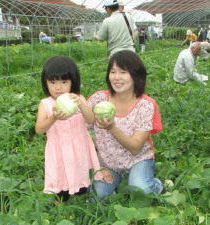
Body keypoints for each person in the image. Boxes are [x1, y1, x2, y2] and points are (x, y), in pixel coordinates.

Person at [87, 50, 164, 201]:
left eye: (123, 72)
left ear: (136, 75)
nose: (116, 77)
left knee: (141, 189)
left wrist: (111, 128)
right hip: (108, 163)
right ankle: (115, 185)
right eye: (113, 72)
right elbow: (79, 127)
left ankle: (157, 185)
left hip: (138, 160)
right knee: (96, 197)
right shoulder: (99, 99)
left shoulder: (146, 105)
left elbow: (136, 148)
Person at [35, 56, 112, 204]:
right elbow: (39, 129)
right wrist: (54, 117)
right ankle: (61, 204)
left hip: (79, 147)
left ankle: (81, 196)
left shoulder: (78, 98)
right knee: (61, 177)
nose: (58, 87)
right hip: (59, 150)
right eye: (53, 82)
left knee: (81, 172)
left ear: (73, 81)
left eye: (64, 82)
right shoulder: (46, 104)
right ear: (45, 83)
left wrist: (81, 105)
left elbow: (90, 120)